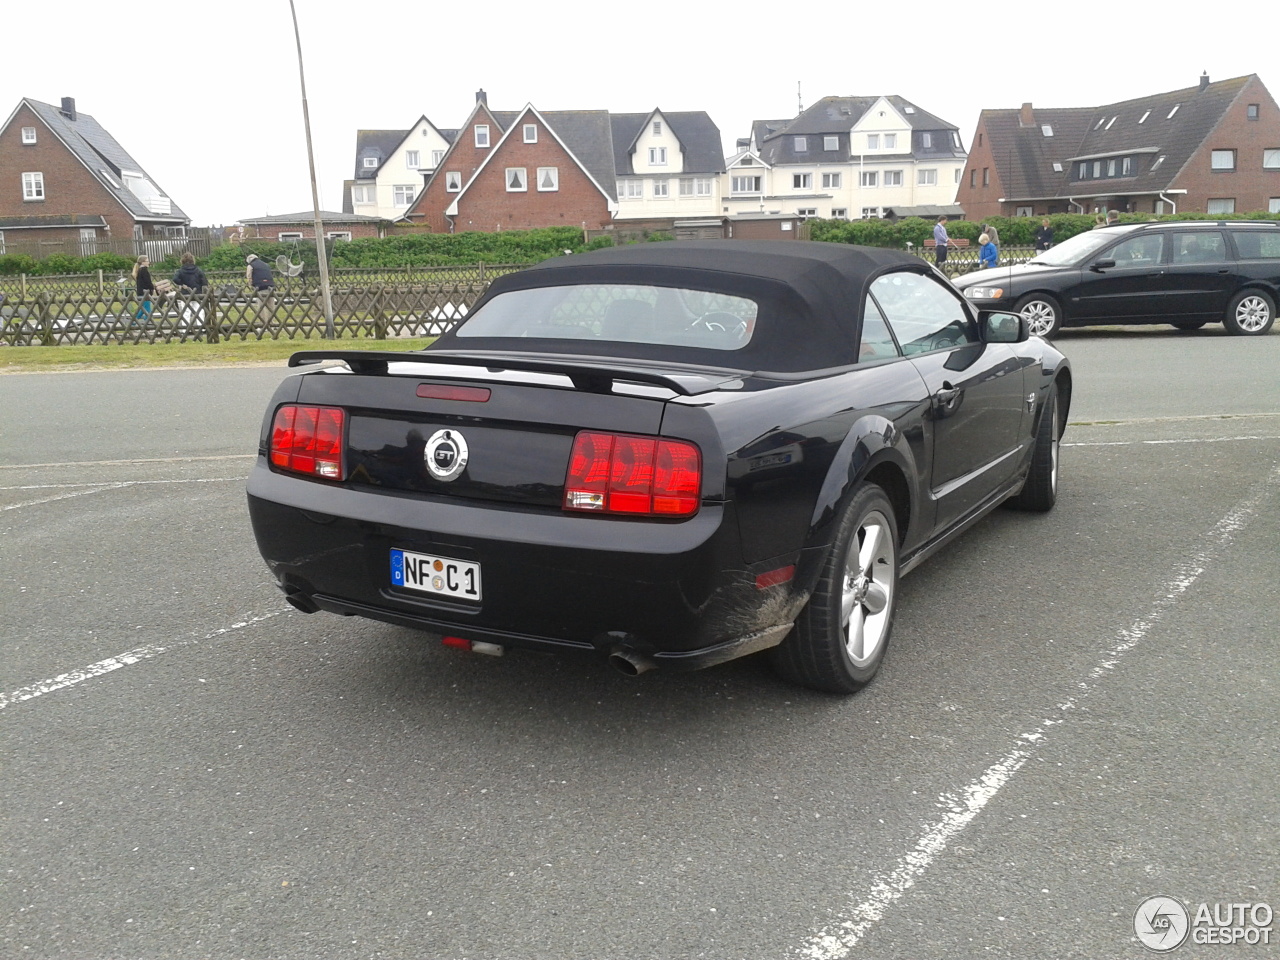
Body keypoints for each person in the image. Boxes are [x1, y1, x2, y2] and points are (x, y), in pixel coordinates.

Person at [172, 252, 209, 327]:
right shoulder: (198, 270)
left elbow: (175, 279)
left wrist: (182, 284)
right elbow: (204, 281)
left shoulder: (180, 270)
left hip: (185, 293)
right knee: (199, 310)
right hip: (197, 293)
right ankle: (200, 327)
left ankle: (185, 329)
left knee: (185, 311)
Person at [245, 253, 275, 324]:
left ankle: (263, 324)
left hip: (260, 287)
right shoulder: (266, 264)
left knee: (261, 307)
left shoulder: (251, 265)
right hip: (271, 286)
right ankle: (272, 323)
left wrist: (251, 285)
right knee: (271, 306)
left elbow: (249, 276)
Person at [133, 255, 155, 322]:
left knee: (142, 309)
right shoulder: (144, 270)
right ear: (142, 262)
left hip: (140, 291)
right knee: (147, 309)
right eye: (147, 261)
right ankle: (147, 323)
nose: (148, 262)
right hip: (145, 292)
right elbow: (147, 281)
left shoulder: (139, 270)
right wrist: (152, 287)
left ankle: (133, 322)